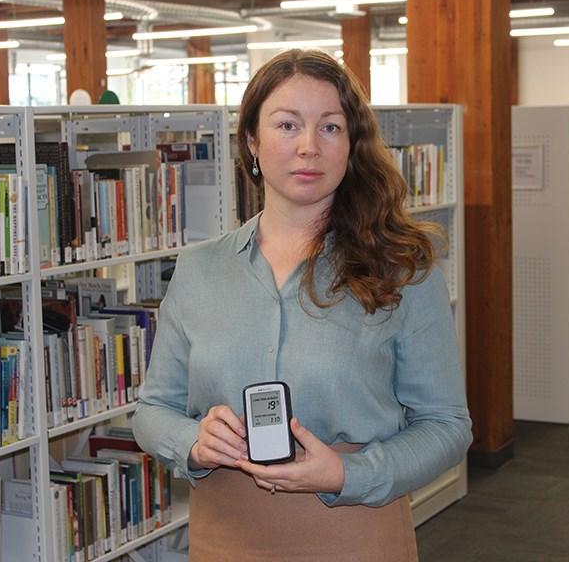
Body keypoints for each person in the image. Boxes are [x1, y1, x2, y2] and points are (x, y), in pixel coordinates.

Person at [132, 48, 472, 561]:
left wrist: (346, 473)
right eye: (287, 125)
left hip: (354, 533)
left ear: (351, 144)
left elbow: (447, 427)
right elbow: (153, 411)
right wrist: (195, 442)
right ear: (252, 141)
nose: (309, 147)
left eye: (330, 128)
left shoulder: (402, 269)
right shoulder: (200, 268)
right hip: (226, 536)